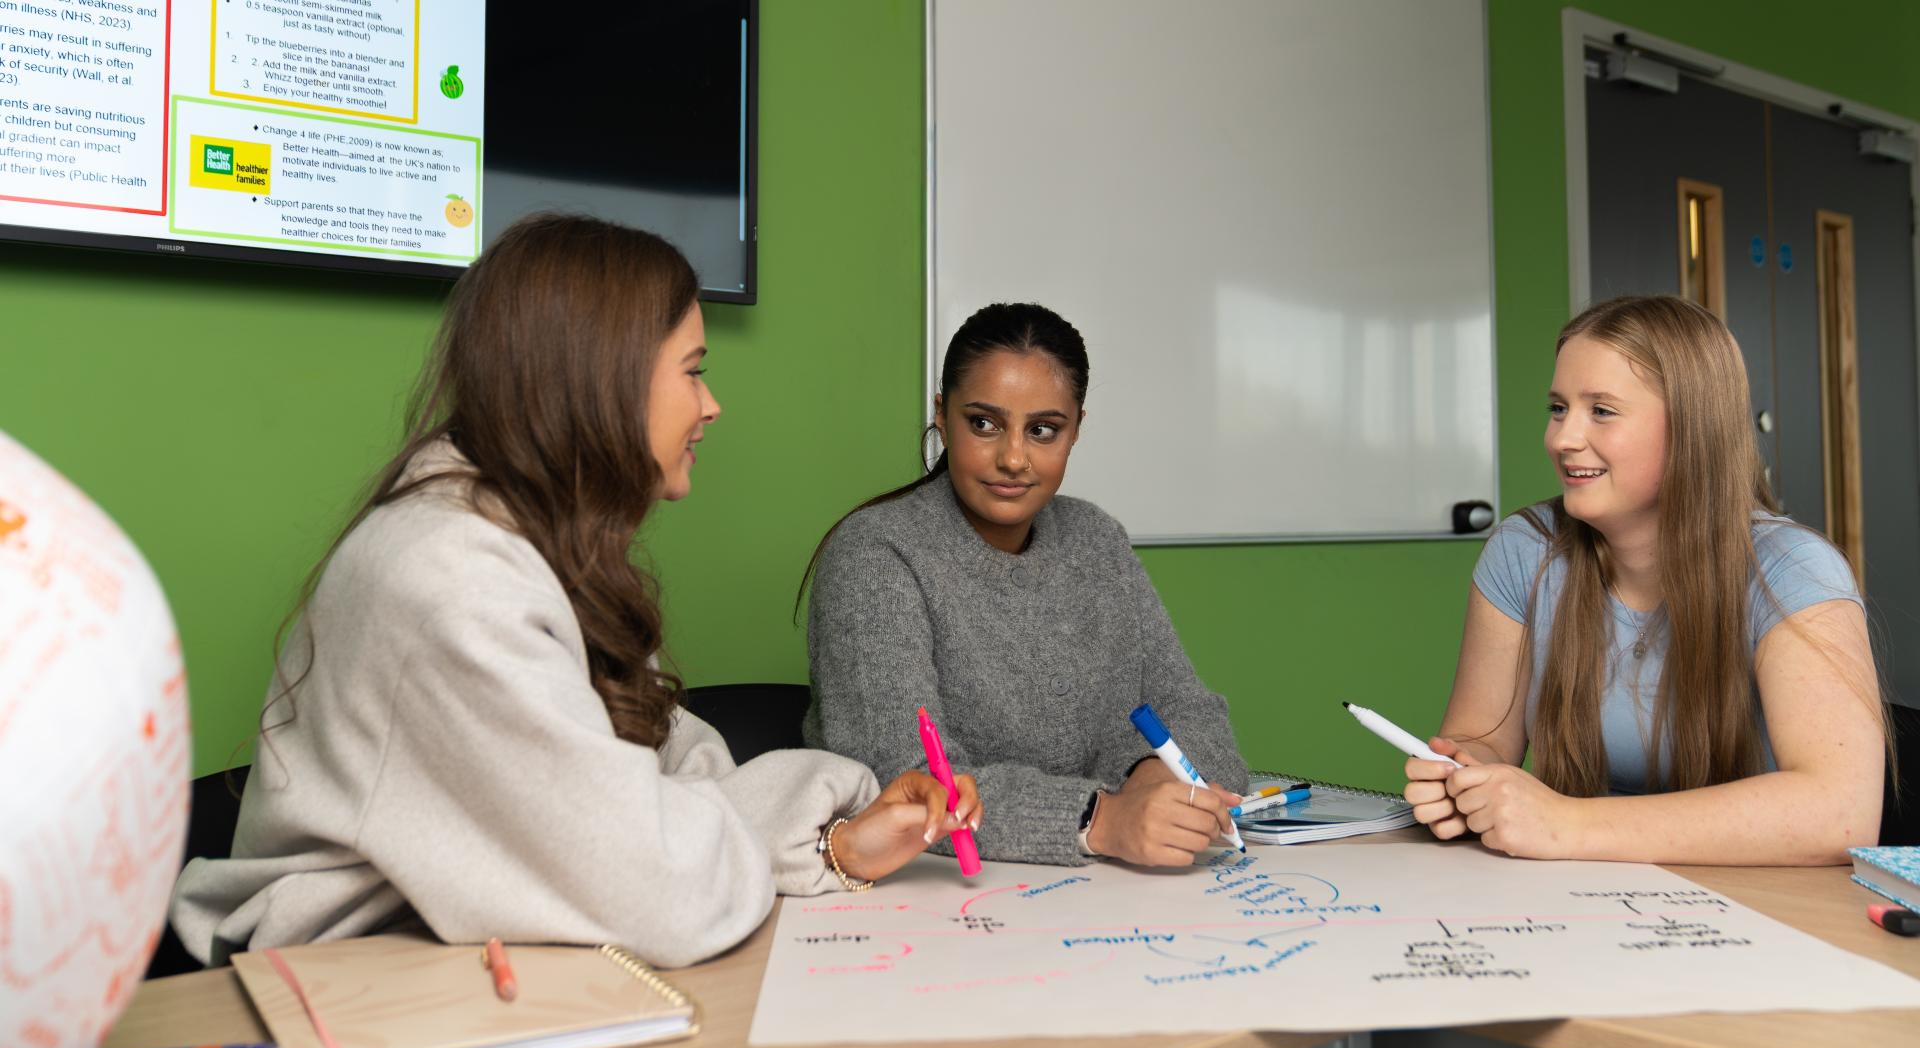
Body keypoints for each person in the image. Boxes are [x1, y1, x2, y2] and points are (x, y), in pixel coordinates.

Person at [170, 215, 979, 969]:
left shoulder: (545, 548)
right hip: (350, 983)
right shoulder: (450, 576)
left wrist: (831, 846)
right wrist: (788, 828)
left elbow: (675, 774)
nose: (710, 405)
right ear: (606, 381)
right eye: (693, 372)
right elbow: (660, 885)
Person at [1404, 295, 1886, 864]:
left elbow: (1840, 814)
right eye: (1558, 408)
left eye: (1601, 411)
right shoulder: (1524, 549)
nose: (1561, 439)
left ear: (1692, 429)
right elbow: (1482, 740)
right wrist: (1465, 778)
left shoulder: (1793, 568)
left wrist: (1568, 824)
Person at [801, 302, 1247, 869]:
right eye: (983, 423)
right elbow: (907, 777)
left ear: (1076, 430)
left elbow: (1194, 714)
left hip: (1099, 899)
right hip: (934, 898)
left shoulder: (1096, 539)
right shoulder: (876, 554)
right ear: (942, 415)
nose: (1013, 458)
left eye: (1043, 430)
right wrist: (1101, 819)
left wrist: (1157, 784)